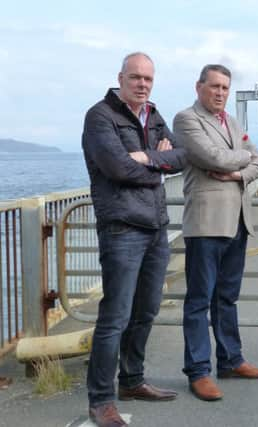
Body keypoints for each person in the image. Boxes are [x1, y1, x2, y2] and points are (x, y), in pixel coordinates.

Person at [82, 52, 185, 427]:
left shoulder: (154, 116)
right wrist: (154, 166)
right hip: (122, 227)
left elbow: (182, 156)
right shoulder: (100, 117)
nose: (143, 84)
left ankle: (132, 380)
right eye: (136, 77)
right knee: (115, 317)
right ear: (120, 77)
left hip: (156, 226)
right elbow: (116, 168)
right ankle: (101, 400)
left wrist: (147, 159)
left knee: (146, 310)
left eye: (148, 79)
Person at [173, 64, 258, 402]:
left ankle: (230, 360)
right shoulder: (186, 120)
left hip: (238, 220)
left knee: (227, 297)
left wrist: (238, 172)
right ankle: (198, 372)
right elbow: (209, 156)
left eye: (225, 87)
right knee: (199, 299)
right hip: (206, 223)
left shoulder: (232, 121)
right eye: (214, 86)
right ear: (199, 87)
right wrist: (242, 158)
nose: (220, 92)